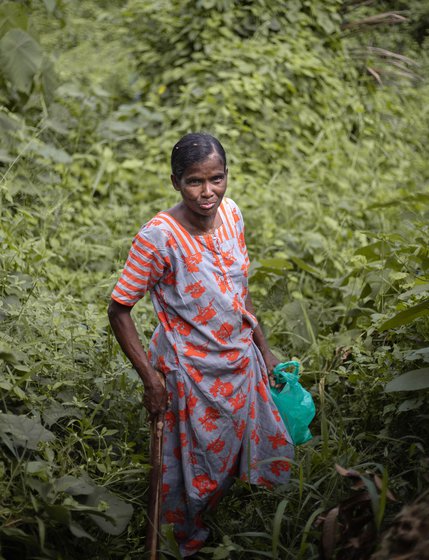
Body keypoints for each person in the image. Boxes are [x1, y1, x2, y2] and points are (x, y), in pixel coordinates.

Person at [108, 132, 294, 557]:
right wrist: (150, 378)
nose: (207, 192)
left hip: (238, 361)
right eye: (195, 181)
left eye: (217, 179)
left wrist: (262, 348)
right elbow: (119, 310)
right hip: (188, 372)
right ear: (176, 182)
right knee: (193, 471)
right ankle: (184, 541)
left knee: (238, 456)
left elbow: (238, 289)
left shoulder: (232, 214)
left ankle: (221, 519)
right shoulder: (159, 236)